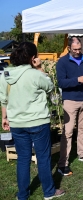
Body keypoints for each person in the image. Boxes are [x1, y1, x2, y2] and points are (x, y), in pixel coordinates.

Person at [0, 42, 65, 200]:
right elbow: (49, 86)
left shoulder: (6, 74)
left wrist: (4, 117)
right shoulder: (35, 74)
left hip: (17, 123)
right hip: (37, 121)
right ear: (33, 57)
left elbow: (4, 99)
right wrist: (40, 68)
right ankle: (48, 192)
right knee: (43, 157)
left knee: (23, 159)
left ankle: (22, 194)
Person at [56, 36, 83, 176]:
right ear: (69, 48)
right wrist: (78, 80)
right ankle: (63, 164)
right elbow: (61, 83)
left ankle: (82, 154)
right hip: (70, 101)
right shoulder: (62, 62)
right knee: (67, 133)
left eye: (79, 49)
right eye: (75, 49)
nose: (78, 52)